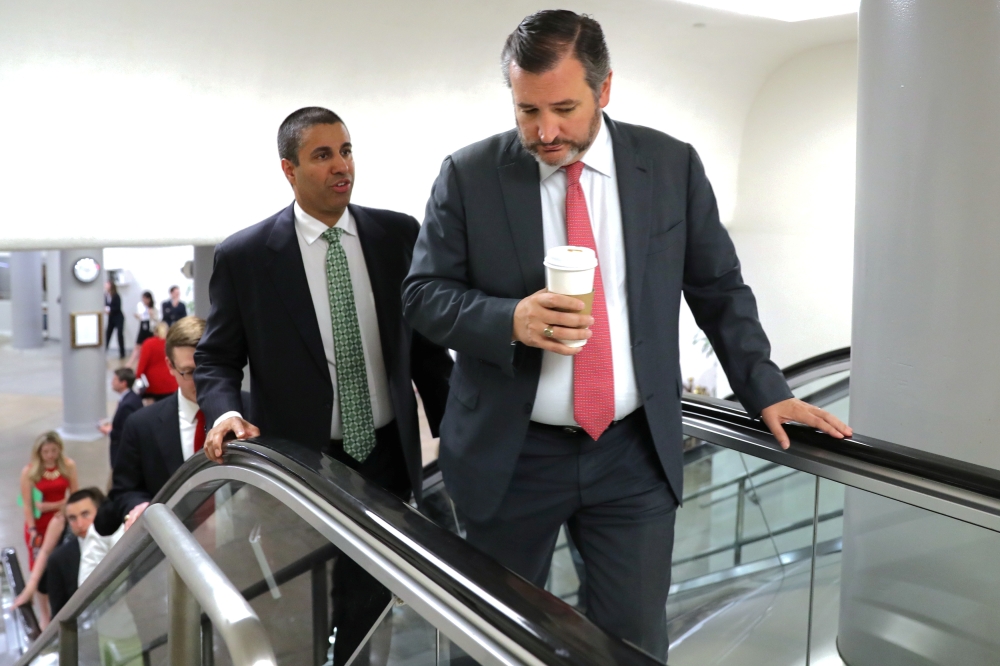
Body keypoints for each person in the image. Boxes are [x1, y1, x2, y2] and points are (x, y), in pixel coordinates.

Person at [401, 10, 852, 660]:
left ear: (604, 88)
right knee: (490, 646)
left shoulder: (670, 166)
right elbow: (423, 295)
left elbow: (718, 288)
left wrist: (766, 389)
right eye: (526, 110)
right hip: (509, 455)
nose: (544, 131)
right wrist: (510, 319)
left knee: (634, 646)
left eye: (563, 107)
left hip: (632, 456)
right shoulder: (468, 176)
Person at [194, 106, 453, 665]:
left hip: (384, 454)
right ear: (288, 170)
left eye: (346, 150)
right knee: (302, 595)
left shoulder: (395, 235)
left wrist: (456, 435)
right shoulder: (247, 257)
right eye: (322, 155)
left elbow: (428, 353)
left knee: (372, 589)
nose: (342, 166)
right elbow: (215, 359)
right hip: (303, 465)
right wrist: (222, 412)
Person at [96, 317, 218, 535]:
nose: (201, 380)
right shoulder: (141, 425)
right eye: (189, 372)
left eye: (207, 367)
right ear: (170, 366)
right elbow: (125, 491)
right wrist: (138, 508)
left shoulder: (249, 412)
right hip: (174, 547)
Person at [38, 488, 121, 617]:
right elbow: (58, 613)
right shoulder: (59, 559)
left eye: (85, 514)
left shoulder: (118, 538)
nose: (80, 523)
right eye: (72, 518)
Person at [19, 432, 78, 570]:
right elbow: (27, 504)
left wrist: (54, 507)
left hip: (61, 520)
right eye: (45, 452)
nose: (50, 455)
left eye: (54, 451)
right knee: (39, 568)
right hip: (39, 524)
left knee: (62, 564)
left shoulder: (68, 466)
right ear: (38, 452)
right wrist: (32, 529)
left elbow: (75, 496)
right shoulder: (29, 471)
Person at [98, 367, 143, 465]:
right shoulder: (132, 398)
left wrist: (109, 431)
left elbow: (125, 432)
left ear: (123, 383)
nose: (112, 382)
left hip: (123, 456)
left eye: (115, 380)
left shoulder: (127, 405)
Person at [134, 322, 178, 401]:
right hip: (172, 384)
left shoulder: (148, 343)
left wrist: (138, 378)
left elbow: (141, 366)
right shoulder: (173, 343)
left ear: (155, 332)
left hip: (153, 385)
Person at [127, 291, 158, 367]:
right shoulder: (140, 306)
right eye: (143, 299)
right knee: (137, 346)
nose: (144, 301)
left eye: (145, 299)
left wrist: (152, 314)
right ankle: (130, 363)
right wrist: (137, 316)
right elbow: (141, 317)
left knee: (150, 346)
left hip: (150, 328)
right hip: (143, 326)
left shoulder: (154, 308)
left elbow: (156, 319)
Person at [104, 281, 125, 359]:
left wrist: (110, 310)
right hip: (111, 318)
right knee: (107, 334)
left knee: (119, 335)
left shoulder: (116, 296)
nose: (105, 285)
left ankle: (122, 353)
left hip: (118, 317)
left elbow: (117, 307)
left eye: (107, 284)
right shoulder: (106, 295)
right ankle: (104, 351)